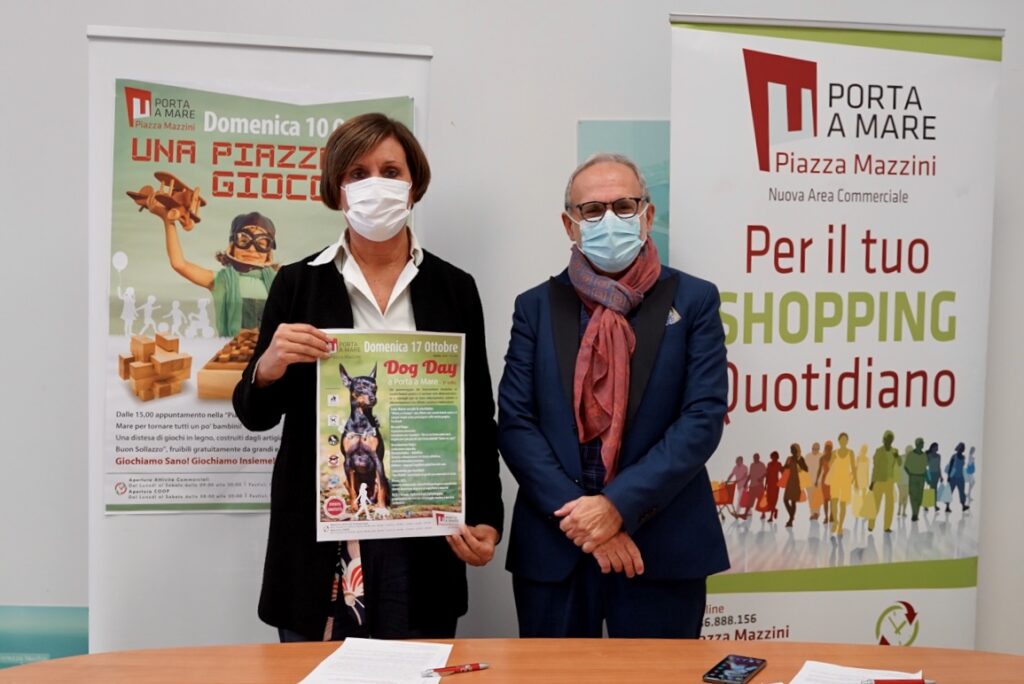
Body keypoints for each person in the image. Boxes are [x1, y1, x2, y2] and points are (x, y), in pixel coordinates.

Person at [233, 113, 504, 642]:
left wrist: (488, 517)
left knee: (418, 670)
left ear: (413, 184)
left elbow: (476, 415)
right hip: (321, 542)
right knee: (317, 673)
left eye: (390, 170)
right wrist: (268, 367)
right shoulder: (296, 283)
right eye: (358, 173)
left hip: (424, 532)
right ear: (337, 189)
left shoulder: (454, 288)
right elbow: (256, 415)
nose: (375, 184)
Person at [497, 153, 728, 638]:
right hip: (557, 543)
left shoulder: (694, 301)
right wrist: (585, 520)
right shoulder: (535, 306)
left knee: (659, 676)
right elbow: (516, 422)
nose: (609, 220)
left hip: (660, 546)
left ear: (647, 215)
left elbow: (701, 419)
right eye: (592, 210)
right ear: (570, 224)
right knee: (552, 677)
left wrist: (617, 506)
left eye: (623, 206)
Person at [868, 430, 899, 533]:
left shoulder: (895, 451)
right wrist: (872, 482)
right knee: (876, 505)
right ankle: (871, 525)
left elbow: (899, 463)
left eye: (891, 439)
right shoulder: (879, 451)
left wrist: (897, 456)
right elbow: (875, 468)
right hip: (879, 481)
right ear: (884, 439)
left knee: (890, 505)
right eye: (887, 439)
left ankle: (887, 527)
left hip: (890, 481)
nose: (889, 441)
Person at [827, 433, 855, 536]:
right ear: (839, 441)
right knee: (834, 502)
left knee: (843, 504)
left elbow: (853, 467)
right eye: (842, 439)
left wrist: (854, 479)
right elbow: (829, 465)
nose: (843, 441)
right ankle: (835, 522)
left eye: (845, 440)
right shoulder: (834, 452)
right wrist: (832, 460)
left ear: (847, 441)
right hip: (835, 479)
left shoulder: (850, 452)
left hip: (845, 481)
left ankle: (840, 526)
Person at [782, 443, 808, 528]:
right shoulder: (789, 459)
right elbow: (784, 469)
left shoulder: (800, 459)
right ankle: (792, 516)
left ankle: (790, 520)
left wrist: (799, 466)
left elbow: (806, 469)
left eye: (793, 450)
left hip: (797, 483)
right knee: (785, 500)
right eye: (791, 450)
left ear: (797, 450)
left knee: (793, 501)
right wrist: (785, 466)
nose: (792, 451)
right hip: (790, 482)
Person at [904, 438, 928, 521]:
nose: (922, 444)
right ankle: (915, 514)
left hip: (921, 477)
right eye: (921, 443)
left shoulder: (924, 455)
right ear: (917, 444)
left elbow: (925, 467)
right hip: (913, 477)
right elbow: (905, 467)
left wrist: (926, 478)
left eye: (923, 443)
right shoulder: (911, 454)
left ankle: (916, 513)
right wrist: (910, 474)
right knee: (913, 495)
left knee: (919, 496)